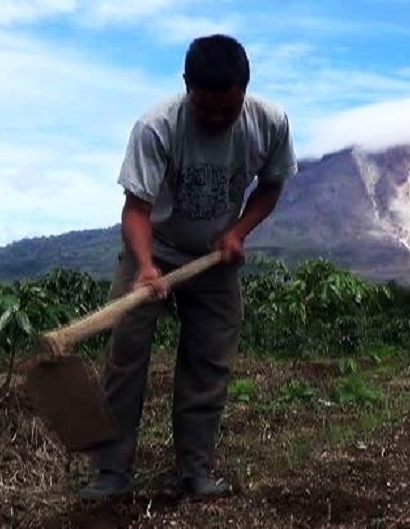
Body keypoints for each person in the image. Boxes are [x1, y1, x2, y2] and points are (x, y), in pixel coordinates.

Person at [79, 34, 298, 500]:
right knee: (125, 355)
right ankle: (112, 473)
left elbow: (271, 185)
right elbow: (136, 209)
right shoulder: (156, 127)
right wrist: (144, 266)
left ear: (245, 90)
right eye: (207, 109)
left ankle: (195, 471)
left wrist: (238, 231)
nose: (218, 118)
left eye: (229, 108)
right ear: (186, 87)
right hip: (153, 250)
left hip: (215, 258)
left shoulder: (270, 123)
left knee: (209, 362)